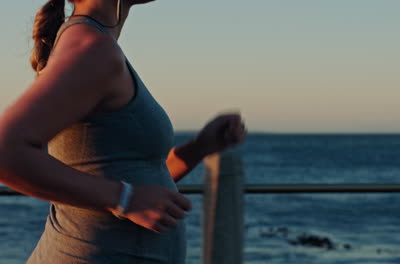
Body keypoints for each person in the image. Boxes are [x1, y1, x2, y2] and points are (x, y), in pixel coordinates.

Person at [0, 0, 246, 263]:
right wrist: (124, 199)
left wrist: (198, 148)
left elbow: (123, 179)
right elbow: (6, 151)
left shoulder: (95, 43)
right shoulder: (92, 48)